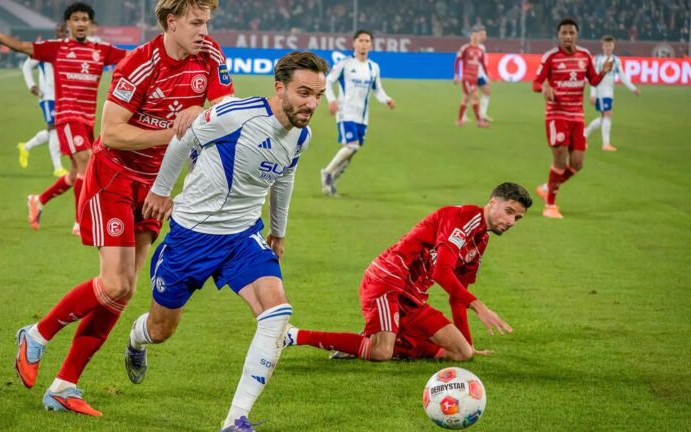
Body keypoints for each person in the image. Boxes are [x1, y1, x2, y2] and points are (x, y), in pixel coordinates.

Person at [8, 0, 234, 416]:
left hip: (157, 185)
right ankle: (37, 334)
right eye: (197, 22)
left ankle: (64, 386)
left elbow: (223, 109)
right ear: (171, 22)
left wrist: (199, 110)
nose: (205, 30)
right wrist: (173, 131)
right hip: (113, 177)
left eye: (208, 21)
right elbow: (111, 133)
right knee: (113, 285)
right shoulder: (140, 63)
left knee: (125, 289)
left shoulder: (211, 54)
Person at [123, 51, 328, 432]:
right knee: (161, 329)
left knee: (277, 314)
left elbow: (284, 178)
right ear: (279, 87)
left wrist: (278, 231)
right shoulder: (237, 113)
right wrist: (163, 191)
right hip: (191, 237)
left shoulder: (302, 134)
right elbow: (184, 139)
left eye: (318, 94)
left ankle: (235, 421)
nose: (312, 104)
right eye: (304, 93)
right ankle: (136, 341)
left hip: (242, 236)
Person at [283, 183, 531, 362]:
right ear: (492, 203)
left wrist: (468, 342)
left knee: (461, 353)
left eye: (517, 218)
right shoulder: (462, 217)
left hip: (413, 295)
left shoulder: (480, 242)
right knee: (381, 353)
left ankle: (368, 342)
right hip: (387, 280)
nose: (511, 221)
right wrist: (480, 307)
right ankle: (294, 335)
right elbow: (441, 273)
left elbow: (458, 295)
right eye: (509, 211)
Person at [0, 3, 127, 234]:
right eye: (76, 19)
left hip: (87, 121)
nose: (81, 23)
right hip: (67, 117)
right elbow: (22, 47)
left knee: (75, 173)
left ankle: (38, 200)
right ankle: (81, 222)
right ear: (69, 24)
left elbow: (134, 56)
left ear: (90, 24)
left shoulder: (101, 51)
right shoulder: (56, 48)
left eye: (85, 19)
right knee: (88, 161)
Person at [532, 18, 613, 219]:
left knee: (577, 163)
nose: (568, 36)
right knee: (559, 158)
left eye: (571, 33)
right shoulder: (550, 57)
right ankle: (550, 205)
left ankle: (546, 188)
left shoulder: (585, 55)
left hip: (577, 116)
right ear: (558, 36)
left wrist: (603, 72)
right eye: (564, 33)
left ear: (576, 35)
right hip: (556, 114)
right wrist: (544, 87)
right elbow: (536, 82)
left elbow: (593, 80)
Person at [319, 30, 394, 197]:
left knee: (353, 149)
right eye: (360, 40)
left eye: (367, 41)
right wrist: (331, 100)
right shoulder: (345, 64)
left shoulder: (373, 67)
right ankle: (327, 173)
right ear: (354, 43)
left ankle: (332, 183)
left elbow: (377, 89)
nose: (364, 43)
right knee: (352, 145)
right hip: (345, 112)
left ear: (371, 45)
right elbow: (327, 82)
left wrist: (387, 99)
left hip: (362, 116)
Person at [17, 23, 68, 177]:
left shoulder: (72, 50)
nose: (62, 34)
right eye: (60, 31)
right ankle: (58, 168)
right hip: (48, 96)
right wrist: (32, 85)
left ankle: (25, 147)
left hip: (64, 96)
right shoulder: (45, 48)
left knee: (58, 131)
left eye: (65, 32)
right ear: (55, 32)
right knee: (54, 128)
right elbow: (26, 66)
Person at [584, 35, 640, 152]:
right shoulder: (598, 60)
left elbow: (622, 76)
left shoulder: (616, 60)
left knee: (603, 118)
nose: (608, 48)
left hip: (609, 93)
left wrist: (632, 88)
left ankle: (584, 134)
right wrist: (593, 94)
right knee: (607, 116)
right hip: (600, 92)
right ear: (602, 46)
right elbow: (592, 77)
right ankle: (606, 144)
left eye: (610, 45)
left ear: (613, 46)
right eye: (606, 45)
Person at [454, 24, 489, 128]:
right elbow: (457, 60)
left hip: (474, 77)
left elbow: (482, 64)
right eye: (474, 36)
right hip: (467, 77)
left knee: (465, 98)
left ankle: (459, 120)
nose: (476, 38)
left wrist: (487, 75)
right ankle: (479, 121)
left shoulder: (480, 50)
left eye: (477, 36)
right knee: (475, 96)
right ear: (471, 36)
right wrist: (456, 74)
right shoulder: (465, 48)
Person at [461, 26, 493, 123]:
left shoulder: (482, 47)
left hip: (480, 74)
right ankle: (463, 116)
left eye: (485, 35)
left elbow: (482, 62)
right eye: (482, 34)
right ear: (476, 35)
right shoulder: (467, 47)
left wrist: (487, 74)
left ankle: (482, 114)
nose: (484, 37)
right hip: (470, 74)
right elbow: (462, 61)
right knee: (468, 96)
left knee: (487, 92)